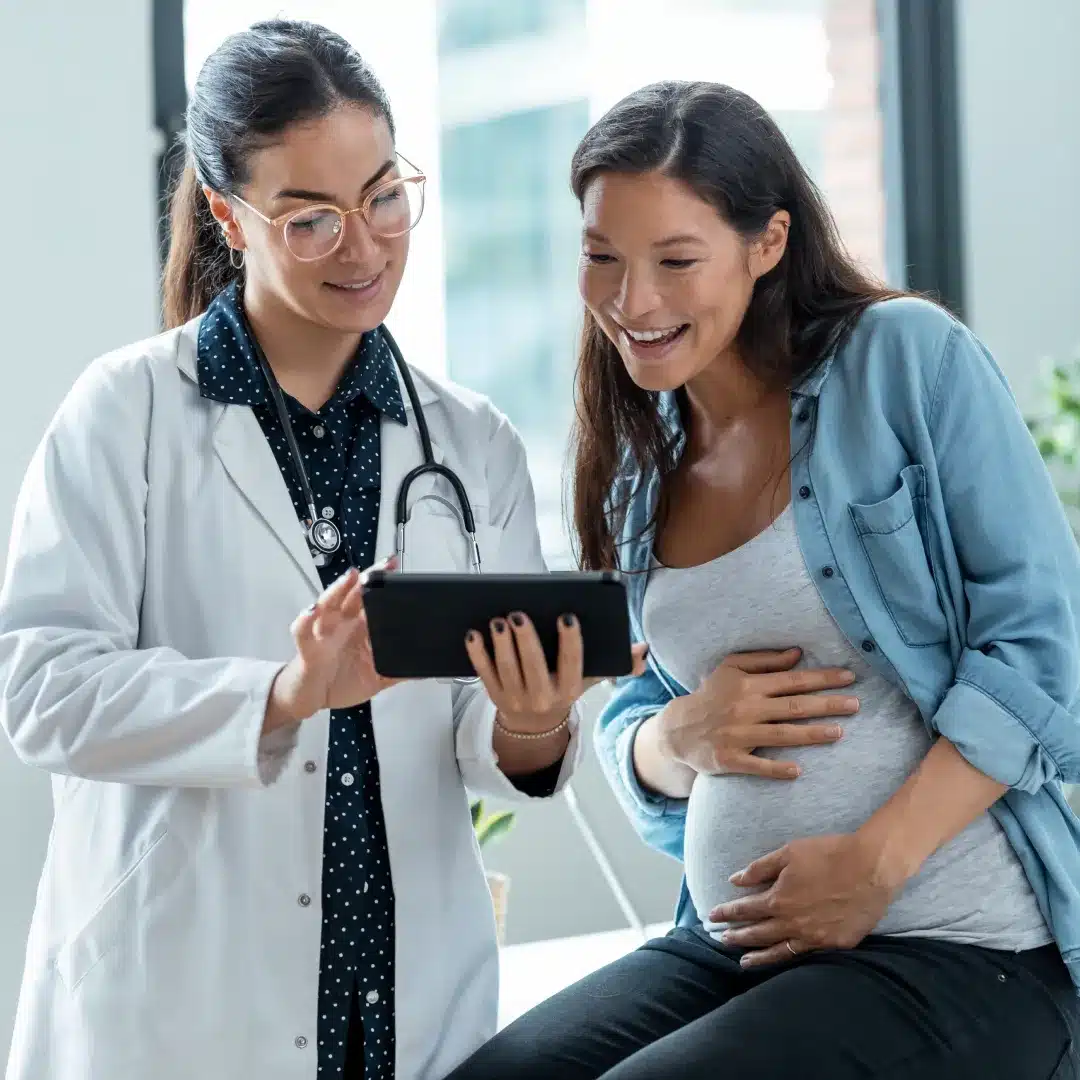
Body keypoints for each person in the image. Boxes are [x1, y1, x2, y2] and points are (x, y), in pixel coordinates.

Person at [0, 20, 643, 1080]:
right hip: (183, 1005)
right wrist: (282, 692)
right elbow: (41, 687)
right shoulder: (127, 413)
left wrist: (532, 724)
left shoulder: (466, 438)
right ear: (227, 215)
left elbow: (483, 741)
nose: (364, 243)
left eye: (384, 197)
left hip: (403, 999)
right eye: (310, 218)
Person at [447, 81, 1080, 1079]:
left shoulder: (907, 362)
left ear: (769, 242)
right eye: (601, 257)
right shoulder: (637, 468)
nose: (631, 301)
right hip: (734, 942)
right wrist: (672, 737)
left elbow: (1043, 651)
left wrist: (873, 866)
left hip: (955, 945)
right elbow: (640, 721)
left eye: (676, 261)